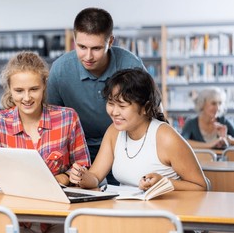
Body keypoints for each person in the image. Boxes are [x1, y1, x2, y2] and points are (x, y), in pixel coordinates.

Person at [0, 51, 90, 233]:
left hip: (57, 219)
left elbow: (83, 166)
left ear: (44, 86)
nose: (27, 98)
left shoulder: (67, 118)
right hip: (13, 219)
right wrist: (5, 162)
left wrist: (62, 179)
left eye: (34, 89)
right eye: (19, 91)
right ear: (9, 89)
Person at [47, 7, 146, 186]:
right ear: (73, 40)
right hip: (78, 154)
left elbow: (151, 115)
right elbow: (51, 121)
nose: (88, 56)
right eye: (82, 47)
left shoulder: (131, 66)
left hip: (125, 148)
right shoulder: (60, 70)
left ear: (111, 41)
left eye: (97, 48)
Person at [69, 68, 208, 193]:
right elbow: (95, 176)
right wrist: (82, 177)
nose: (114, 112)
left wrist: (164, 183)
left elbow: (201, 186)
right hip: (126, 212)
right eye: (111, 104)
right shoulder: (113, 132)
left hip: (162, 214)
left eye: (122, 106)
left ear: (145, 108)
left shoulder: (166, 137)